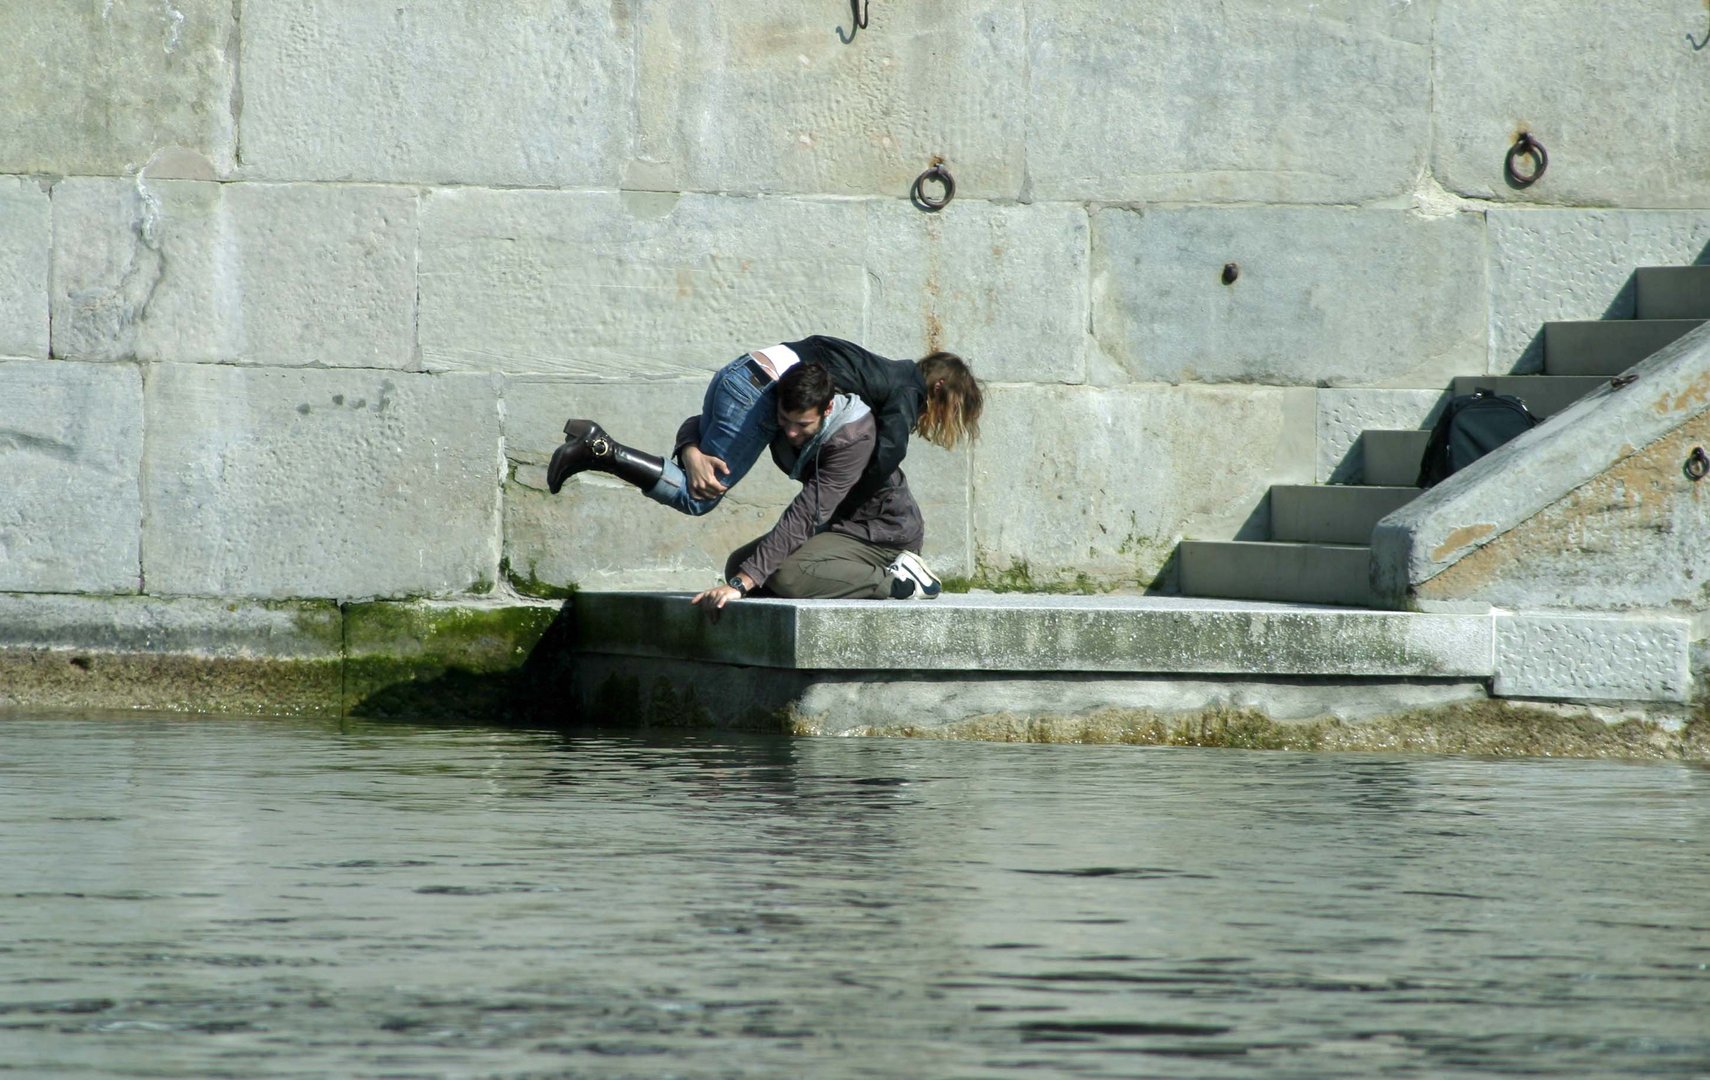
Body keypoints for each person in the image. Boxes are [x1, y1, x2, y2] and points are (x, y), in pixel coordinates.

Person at [544, 336, 982, 523]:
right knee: (696, 498)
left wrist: (690, 449)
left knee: (704, 465)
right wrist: (841, 498)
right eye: (947, 407)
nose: (937, 418)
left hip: (740, 373)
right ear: (938, 386)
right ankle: (599, 449)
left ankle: (614, 448)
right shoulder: (905, 389)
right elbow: (887, 455)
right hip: (759, 393)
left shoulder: (875, 368)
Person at [685, 361, 940, 608]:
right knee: (739, 564)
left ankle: (898, 580)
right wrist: (690, 452)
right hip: (838, 525)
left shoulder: (853, 437)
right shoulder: (777, 409)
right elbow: (707, 423)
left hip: (881, 533)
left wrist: (740, 585)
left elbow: (807, 514)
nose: (791, 432)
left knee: (785, 574)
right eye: (785, 420)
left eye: (803, 424)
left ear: (827, 409)